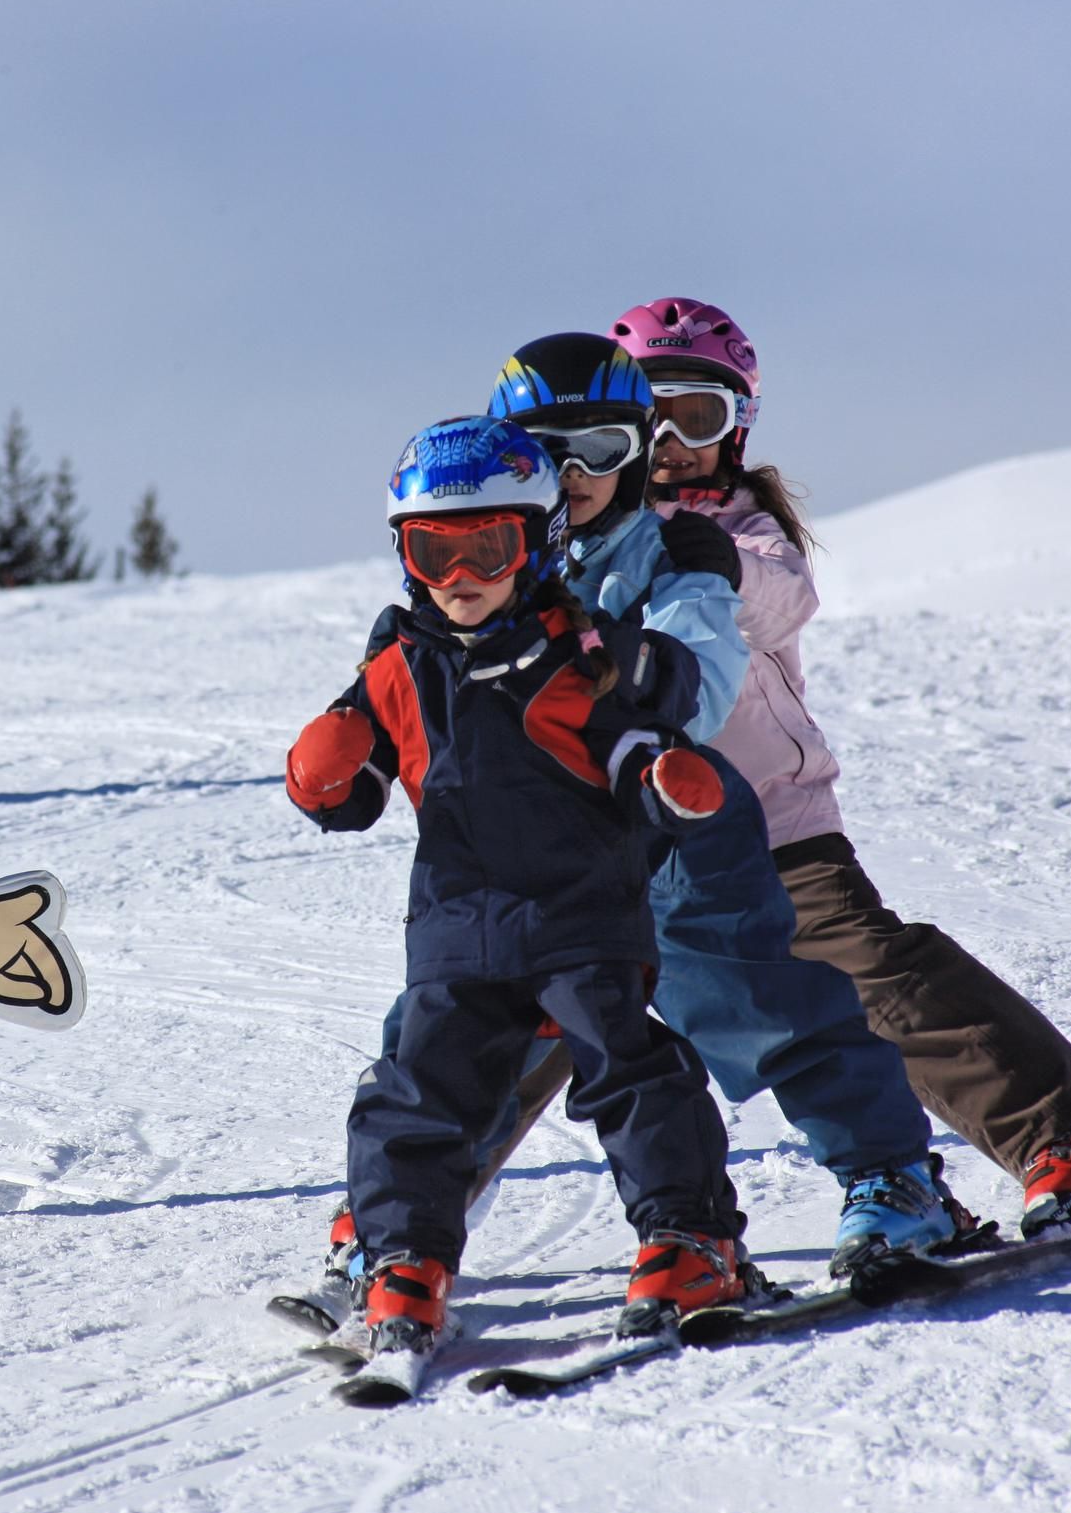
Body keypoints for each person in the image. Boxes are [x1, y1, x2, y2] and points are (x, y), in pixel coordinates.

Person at [613, 296, 1071, 1233]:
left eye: (698, 416)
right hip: (625, 846)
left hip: (769, 827)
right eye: (647, 416)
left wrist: (711, 564)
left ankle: (1067, 1138)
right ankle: (402, 1239)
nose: (671, 440)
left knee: (872, 976)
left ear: (737, 426)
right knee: (524, 1005)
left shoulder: (745, 529)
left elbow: (782, 597)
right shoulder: (580, 535)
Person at [285, 414, 753, 1377]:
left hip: (583, 916)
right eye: (434, 551)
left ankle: (688, 1242)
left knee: (632, 1071)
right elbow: (355, 789)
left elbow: (631, 739)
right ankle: (405, 1261)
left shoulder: (578, 649)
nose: (461, 577)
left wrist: (661, 776)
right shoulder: (398, 665)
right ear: (405, 556)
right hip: (457, 930)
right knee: (414, 1095)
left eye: (487, 548)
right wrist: (324, 772)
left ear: (535, 539)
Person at [489, 334, 964, 1271]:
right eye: (553, 452)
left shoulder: (676, 554)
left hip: (678, 834)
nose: (578, 475)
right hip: (547, 854)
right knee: (464, 1029)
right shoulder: (496, 567)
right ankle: (398, 1237)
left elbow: (702, 684)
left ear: (642, 446)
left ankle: (892, 1175)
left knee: (762, 1001)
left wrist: (622, 670)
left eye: (605, 449)